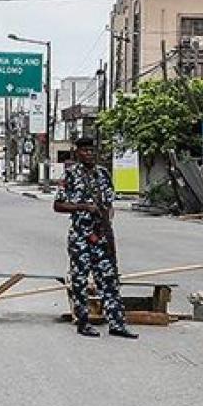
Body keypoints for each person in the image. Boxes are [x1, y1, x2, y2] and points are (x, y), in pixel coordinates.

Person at [53, 137, 137, 339]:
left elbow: (109, 205)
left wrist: (106, 226)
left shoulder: (103, 174)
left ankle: (116, 323)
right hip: (81, 237)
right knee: (80, 281)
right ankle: (83, 322)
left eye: (92, 150)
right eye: (85, 151)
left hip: (101, 236)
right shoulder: (71, 175)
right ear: (78, 153)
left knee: (109, 280)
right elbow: (58, 205)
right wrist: (84, 207)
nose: (89, 154)